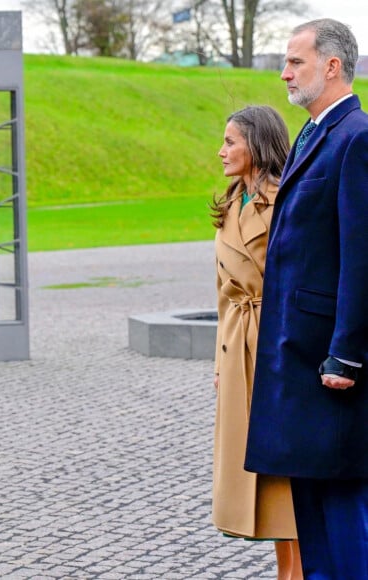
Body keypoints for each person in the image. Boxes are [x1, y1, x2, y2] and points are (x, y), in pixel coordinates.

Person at [245, 19, 368, 578]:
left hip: (329, 365)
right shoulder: (313, 133)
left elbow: (361, 255)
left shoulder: (357, 136)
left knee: (341, 512)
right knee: (311, 507)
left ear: (333, 66)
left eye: (295, 61)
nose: (285, 71)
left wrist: (346, 353)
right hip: (298, 359)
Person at [211, 105, 303, 580]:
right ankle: (284, 569)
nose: (222, 151)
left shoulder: (285, 198)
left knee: (284, 469)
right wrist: (219, 363)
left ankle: (299, 571)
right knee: (258, 471)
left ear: (257, 145)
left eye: (231, 141)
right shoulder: (231, 202)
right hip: (237, 345)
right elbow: (224, 294)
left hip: (274, 345)